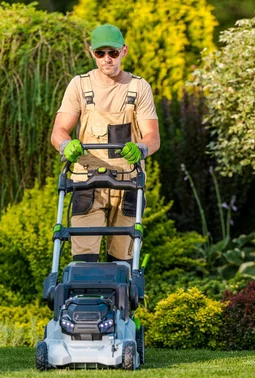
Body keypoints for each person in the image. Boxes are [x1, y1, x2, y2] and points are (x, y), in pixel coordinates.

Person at [50, 24, 160, 264]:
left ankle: (119, 300)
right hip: (87, 183)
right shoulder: (80, 85)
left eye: (113, 52)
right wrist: (65, 145)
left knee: (121, 263)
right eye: (100, 53)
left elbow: (152, 136)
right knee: (83, 261)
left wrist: (141, 148)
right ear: (92, 53)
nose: (107, 59)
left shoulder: (138, 88)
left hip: (127, 183)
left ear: (124, 51)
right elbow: (59, 131)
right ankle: (83, 299)